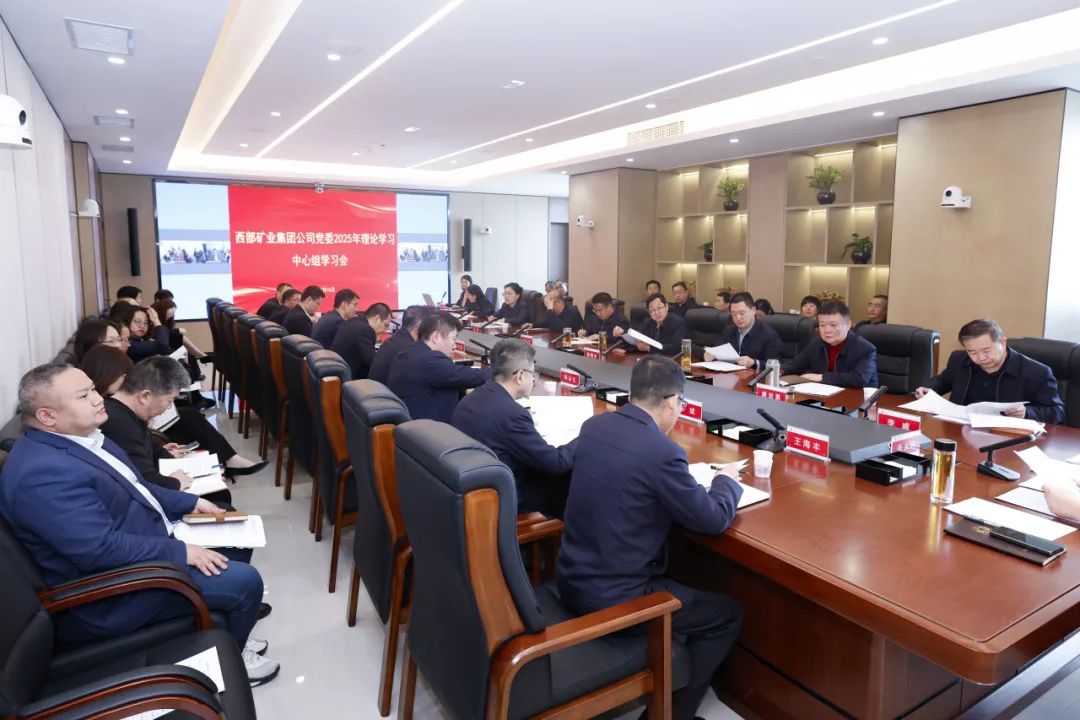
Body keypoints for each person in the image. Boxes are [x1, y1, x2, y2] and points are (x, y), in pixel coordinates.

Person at [0, 364, 279, 684]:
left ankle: (229, 632)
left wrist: (189, 502)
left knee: (234, 536)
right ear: (48, 416)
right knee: (245, 581)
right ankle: (234, 658)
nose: (98, 398)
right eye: (84, 396)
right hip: (110, 593)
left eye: (93, 389)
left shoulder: (83, 437)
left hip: (140, 540)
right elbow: (98, 549)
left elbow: (137, 487)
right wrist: (180, 551)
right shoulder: (41, 474)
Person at [556, 356, 743, 720]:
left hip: (571, 578)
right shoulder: (663, 452)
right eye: (681, 404)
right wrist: (726, 481)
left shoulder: (595, 426)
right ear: (672, 402)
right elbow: (713, 518)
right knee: (727, 614)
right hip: (614, 599)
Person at [80, 346, 267, 478]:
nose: (168, 407)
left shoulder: (124, 413)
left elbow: (146, 451)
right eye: (169, 401)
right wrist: (178, 482)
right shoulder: (118, 421)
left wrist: (164, 453)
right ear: (145, 396)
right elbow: (145, 478)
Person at [451, 339, 575, 516]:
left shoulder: (470, 399)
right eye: (533, 372)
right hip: (507, 502)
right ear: (520, 376)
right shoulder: (512, 415)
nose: (534, 378)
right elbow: (556, 463)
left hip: (474, 493)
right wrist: (586, 435)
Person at [915, 319, 1064, 423]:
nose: (981, 358)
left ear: (1003, 343)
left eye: (986, 350)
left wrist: (1027, 413)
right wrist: (928, 389)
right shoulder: (959, 359)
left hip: (1005, 438)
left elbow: (1057, 412)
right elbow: (944, 380)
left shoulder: (1037, 372)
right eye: (972, 352)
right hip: (959, 430)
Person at [387, 312, 490, 422]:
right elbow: (473, 376)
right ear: (436, 337)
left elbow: (443, 379)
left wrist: (464, 391)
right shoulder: (431, 361)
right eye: (453, 339)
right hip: (427, 429)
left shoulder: (408, 352)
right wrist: (501, 369)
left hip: (409, 426)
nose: (455, 345)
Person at [782, 301, 878, 387]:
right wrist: (780, 370)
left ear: (848, 325)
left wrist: (821, 377)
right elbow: (796, 364)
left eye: (833, 325)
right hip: (824, 395)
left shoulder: (865, 349)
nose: (827, 330)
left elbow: (859, 379)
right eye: (822, 325)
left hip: (857, 397)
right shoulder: (817, 343)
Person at [703, 292, 782, 369]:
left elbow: (777, 364)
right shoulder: (729, 330)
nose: (738, 318)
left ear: (753, 311)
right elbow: (716, 350)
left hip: (754, 376)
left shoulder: (769, 335)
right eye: (734, 314)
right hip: (729, 375)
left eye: (742, 313)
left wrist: (754, 362)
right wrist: (710, 355)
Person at [368, 305, 432, 384]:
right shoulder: (410, 349)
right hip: (388, 390)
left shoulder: (394, 340)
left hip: (376, 388)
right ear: (418, 326)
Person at [331, 302, 391, 380]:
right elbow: (374, 364)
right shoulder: (365, 330)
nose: (385, 330)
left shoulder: (355, 321)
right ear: (377, 319)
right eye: (386, 325)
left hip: (340, 373)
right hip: (350, 379)